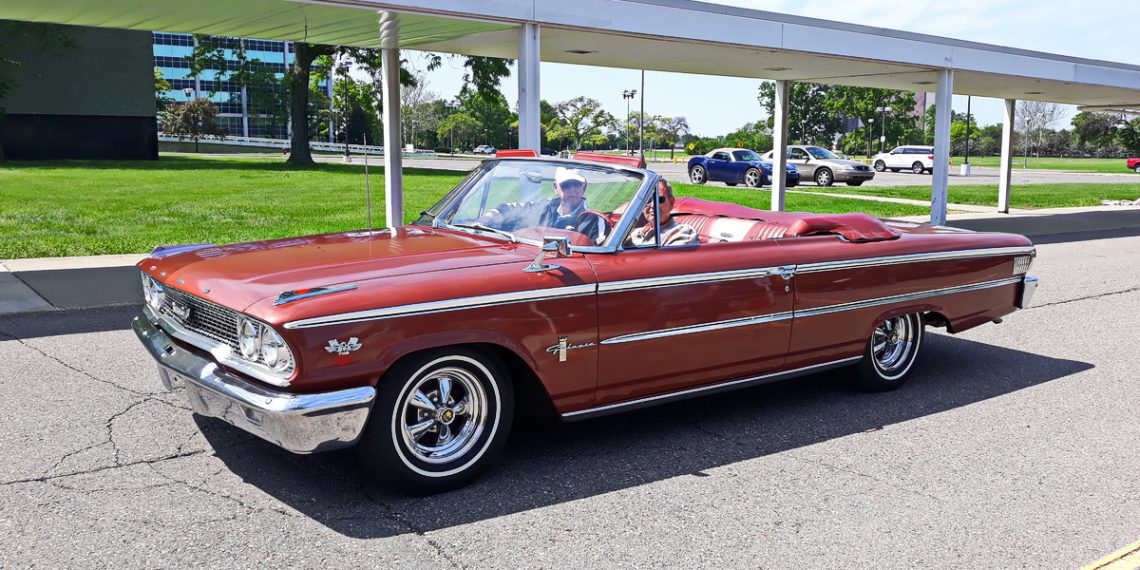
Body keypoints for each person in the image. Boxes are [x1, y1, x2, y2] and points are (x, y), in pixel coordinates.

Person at [478, 166, 610, 243]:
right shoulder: (542, 207)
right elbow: (506, 209)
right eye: (566, 185)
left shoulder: (594, 220)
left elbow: (598, 255)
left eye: (576, 184)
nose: (572, 189)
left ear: (584, 187)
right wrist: (481, 222)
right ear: (555, 187)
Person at [628, 179, 699, 247]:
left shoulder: (682, 232)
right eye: (648, 200)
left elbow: (672, 255)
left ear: (671, 202)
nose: (653, 205)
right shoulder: (634, 233)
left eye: (659, 199)